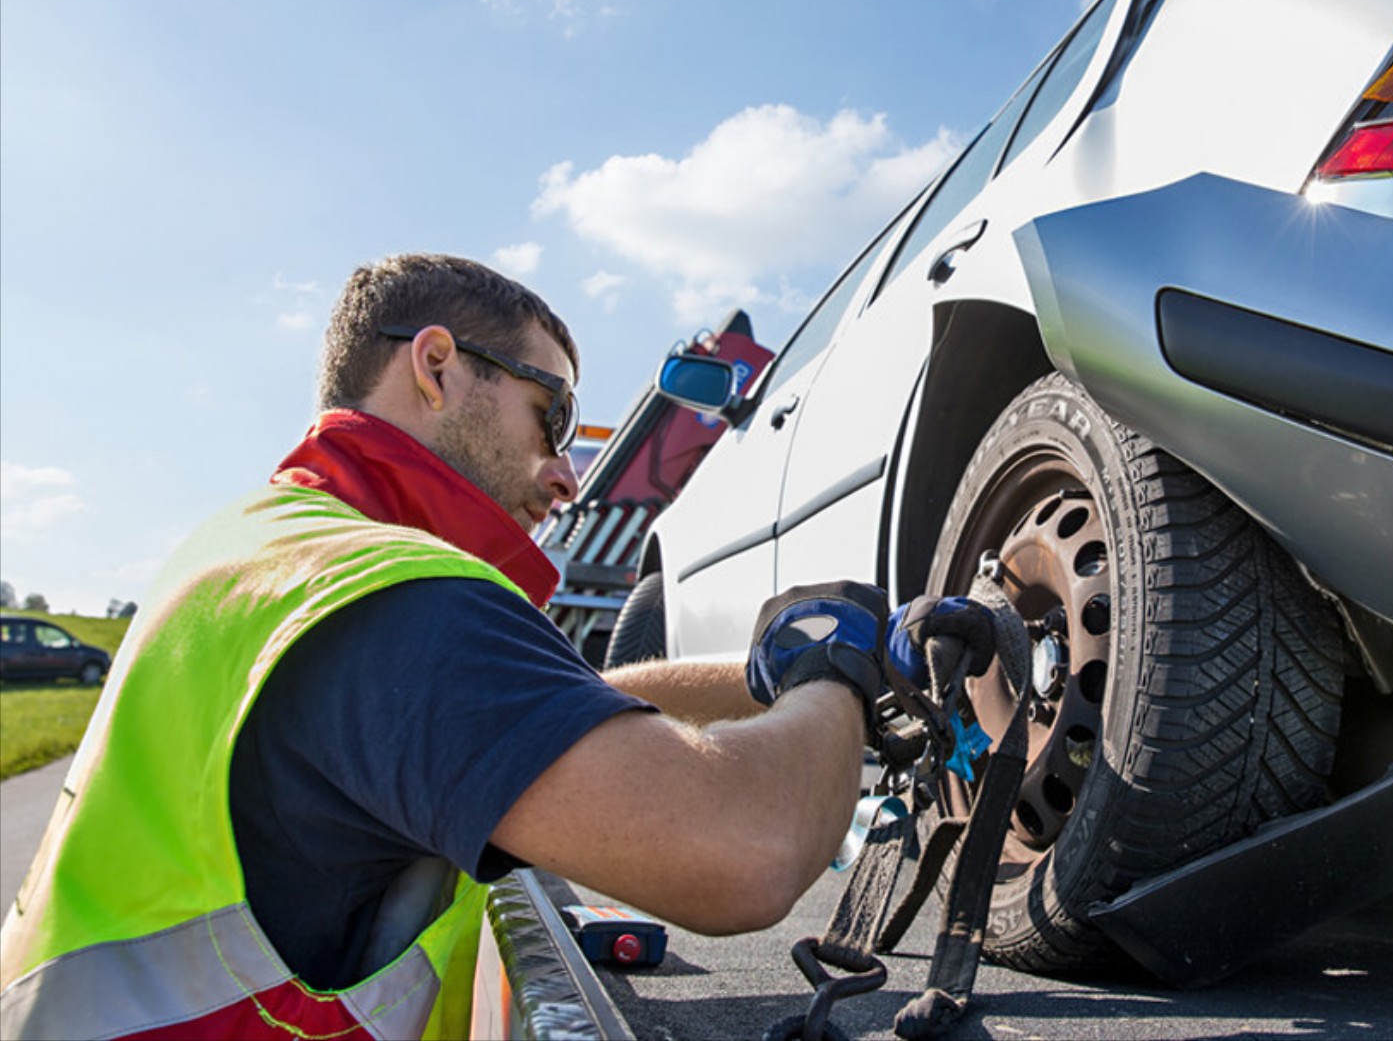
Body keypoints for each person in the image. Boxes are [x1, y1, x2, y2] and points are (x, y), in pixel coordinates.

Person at [0, 254, 978, 1041]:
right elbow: (744, 849)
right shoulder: (383, 594)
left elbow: (567, 711)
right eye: (552, 416)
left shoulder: (275, 550)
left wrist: (766, 677)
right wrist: (832, 670)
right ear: (436, 365)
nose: (565, 478)